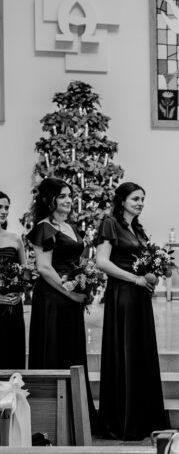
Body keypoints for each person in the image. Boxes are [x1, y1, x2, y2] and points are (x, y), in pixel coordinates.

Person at [94, 182, 169, 440]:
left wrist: (151, 277)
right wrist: (134, 279)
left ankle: (144, 417)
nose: (140, 203)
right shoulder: (110, 224)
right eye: (135, 198)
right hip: (123, 295)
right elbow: (101, 261)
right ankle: (123, 420)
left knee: (140, 351)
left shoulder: (137, 229)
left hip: (140, 296)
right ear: (122, 200)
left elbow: (145, 262)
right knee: (125, 350)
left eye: (142, 200)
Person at [25, 178, 100, 427]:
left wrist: (84, 285)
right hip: (52, 300)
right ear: (50, 200)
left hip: (70, 300)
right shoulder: (43, 228)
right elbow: (44, 267)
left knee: (72, 353)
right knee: (54, 351)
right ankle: (52, 421)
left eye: (70, 195)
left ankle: (77, 415)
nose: (68, 200)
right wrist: (70, 292)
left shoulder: (70, 226)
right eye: (63, 196)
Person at [0, 191, 27, 369]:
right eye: (0, 207)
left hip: (12, 307)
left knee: (11, 355)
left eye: (7, 208)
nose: (4, 211)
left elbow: (25, 273)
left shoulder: (15, 239)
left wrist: (19, 292)